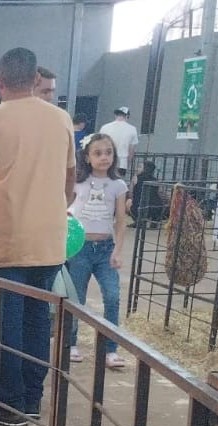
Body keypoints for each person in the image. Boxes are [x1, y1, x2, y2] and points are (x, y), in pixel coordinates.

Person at [0, 46, 76, 426]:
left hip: (6, 238)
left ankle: (9, 404)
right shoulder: (61, 119)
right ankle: (32, 398)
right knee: (37, 322)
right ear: (35, 81)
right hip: (49, 241)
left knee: (8, 323)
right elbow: (69, 180)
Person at [66, 132, 128, 370]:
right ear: (88, 157)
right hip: (79, 247)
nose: (104, 157)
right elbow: (66, 206)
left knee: (112, 296)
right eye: (98, 153)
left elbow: (120, 220)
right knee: (76, 298)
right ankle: (70, 343)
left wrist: (118, 250)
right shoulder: (78, 182)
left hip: (104, 248)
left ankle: (110, 349)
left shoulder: (118, 185)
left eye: (108, 152)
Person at [100, 106, 139, 178]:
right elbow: (131, 149)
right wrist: (128, 164)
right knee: (117, 184)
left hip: (105, 160)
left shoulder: (105, 127)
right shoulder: (132, 129)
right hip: (122, 162)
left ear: (115, 115)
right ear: (127, 117)